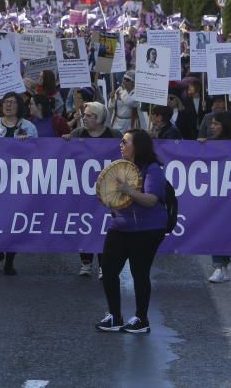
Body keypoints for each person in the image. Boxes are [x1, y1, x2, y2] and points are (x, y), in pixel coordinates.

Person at [95, 129, 168, 335]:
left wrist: (128, 190)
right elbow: (116, 198)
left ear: (138, 146)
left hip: (147, 229)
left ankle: (141, 319)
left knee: (140, 273)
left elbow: (151, 199)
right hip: (121, 225)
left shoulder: (153, 169)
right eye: (121, 141)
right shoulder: (121, 167)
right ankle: (114, 316)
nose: (121, 145)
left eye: (125, 142)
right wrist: (107, 197)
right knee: (108, 270)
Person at [0, 92, 37, 276]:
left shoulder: (29, 127)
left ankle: (10, 260)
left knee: (13, 221)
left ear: (19, 105)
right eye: (5, 102)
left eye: (12, 102)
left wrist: (27, 143)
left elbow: (39, 152)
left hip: (18, 182)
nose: (8, 105)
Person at [64, 101, 121, 276]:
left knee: (104, 227)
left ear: (99, 118)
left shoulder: (114, 135)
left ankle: (104, 264)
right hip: (81, 190)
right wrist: (65, 142)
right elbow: (64, 155)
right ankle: (86, 261)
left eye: (89, 115)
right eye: (84, 115)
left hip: (107, 191)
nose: (84, 118)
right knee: (84, 225)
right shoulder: (77, 133)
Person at [200, 111, 231, 283]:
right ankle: (220, 267)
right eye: (212, 123)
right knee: (216, 229)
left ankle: (222, 265)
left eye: (216, 124)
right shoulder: (210, 143)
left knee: (225, 231)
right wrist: (201, 146)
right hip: (215, 196)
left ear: (225, 126)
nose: (212, 127)